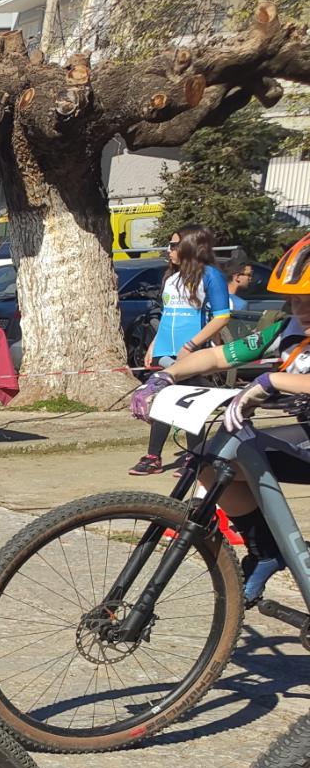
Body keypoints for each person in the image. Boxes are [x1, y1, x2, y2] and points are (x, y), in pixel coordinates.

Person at [141, 233, 310, 603]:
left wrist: (274, 379)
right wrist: (167, 375)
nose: (302, 310)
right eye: (296, 301)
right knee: (208, 459)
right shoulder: (285, 332)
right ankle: (267, 550)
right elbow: (220, 357)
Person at [131, 226, 233, 474]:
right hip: (165, 351)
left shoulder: (210, 276)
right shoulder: (171, 278)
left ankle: (194, 459)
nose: (169, 251)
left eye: (174, 245)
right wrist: (154, 344)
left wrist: (192, 345)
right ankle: (155, 457)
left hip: (192, 354)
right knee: (164, 399)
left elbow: (221, 317)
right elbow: (167, 315)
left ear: (190, 247)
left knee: (187, 404)